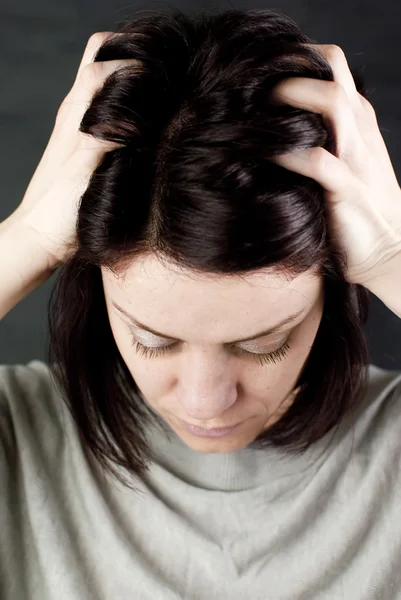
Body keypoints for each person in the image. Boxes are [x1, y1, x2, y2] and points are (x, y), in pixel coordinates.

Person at [1, 8, 401, 600]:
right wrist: (29, 237)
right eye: (152, 339)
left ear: (334, 290)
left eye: (264, 343)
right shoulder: (19, 436)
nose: (205, 400)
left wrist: (392, 255)